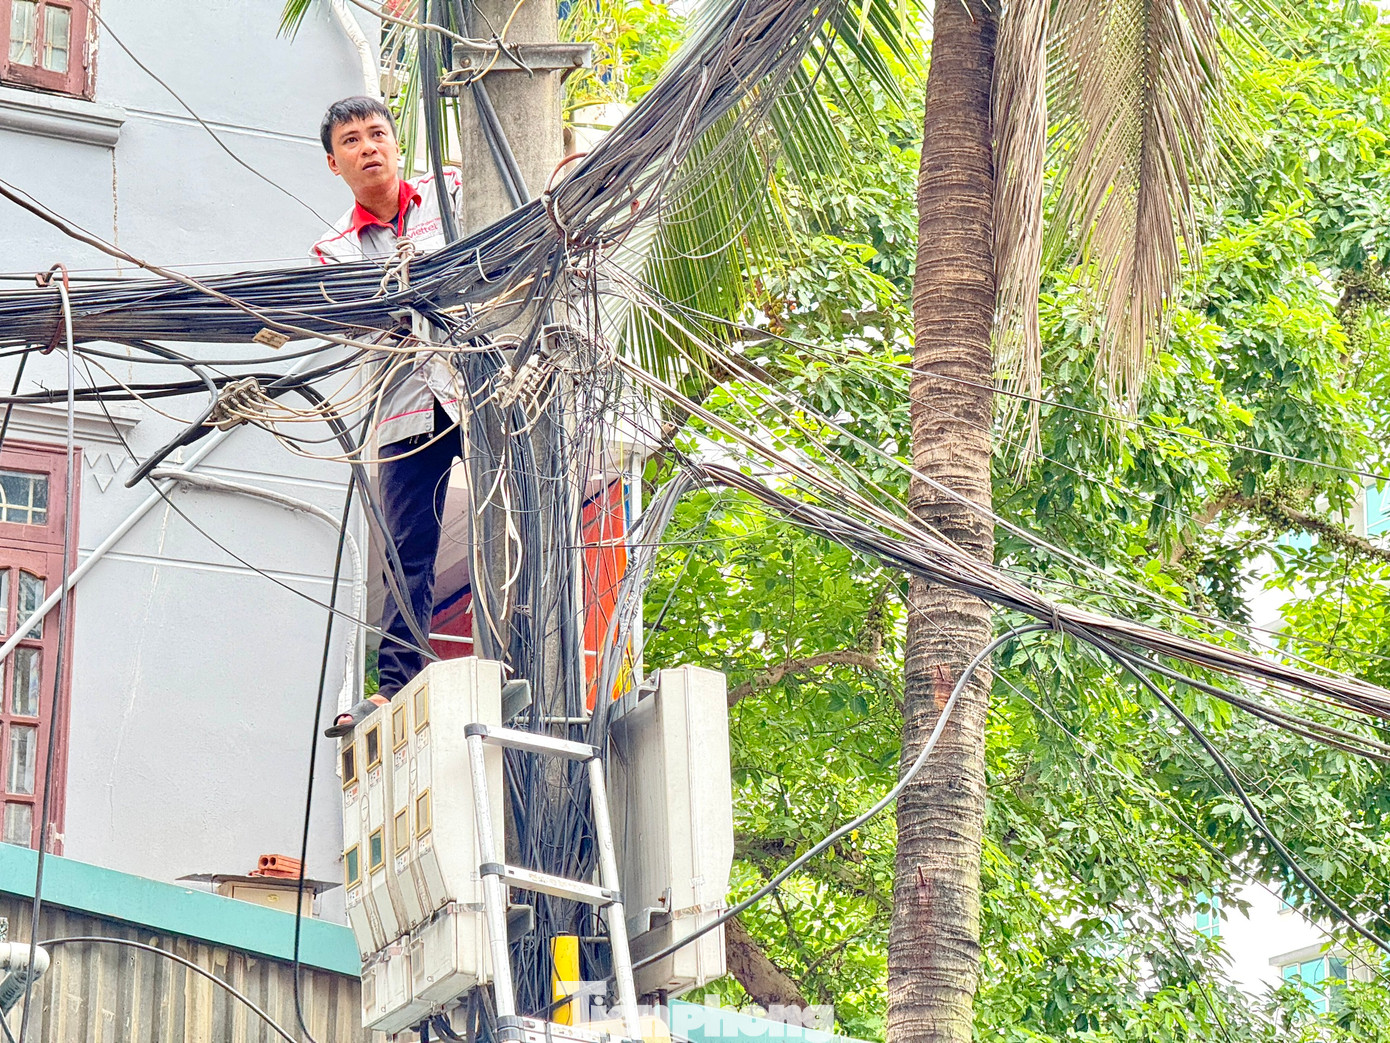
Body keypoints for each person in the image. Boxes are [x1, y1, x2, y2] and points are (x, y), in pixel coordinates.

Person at [311, 96, 466, 736]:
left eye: (378, 133)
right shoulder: (331, 249)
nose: (368, 147)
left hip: (481, 383)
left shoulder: (454, 192)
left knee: (527, 517)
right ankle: (396, 686)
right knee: (408, 552)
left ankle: (532, 660)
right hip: (403, 408)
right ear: (334, 163)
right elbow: (364, 322)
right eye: (352, 140)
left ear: (398, 144)